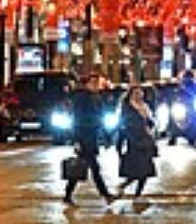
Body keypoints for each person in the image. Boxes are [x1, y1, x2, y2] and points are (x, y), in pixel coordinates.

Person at [63, 73, 117, 204]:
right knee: (93, 168)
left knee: (82, 168)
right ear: (86, 84)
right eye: (93, 82)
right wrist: (76, 140)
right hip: (84, 138)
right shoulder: (82, 98)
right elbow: (77, 120)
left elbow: (100, 119)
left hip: (91, 137)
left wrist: (106, 137)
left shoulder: (95, 97)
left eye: (97, 82)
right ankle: (105, 195)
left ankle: (68, 195)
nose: (96, 85)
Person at [117, 86, 159, 197]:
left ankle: (136, 191)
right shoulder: (127, 107)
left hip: (146, 140)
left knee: (145, 169)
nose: (139, 95)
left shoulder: (145, 107)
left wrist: (150, 124)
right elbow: (124, 125)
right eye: (136, 93)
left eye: (140, 93)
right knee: (138, 168)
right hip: (134, 140)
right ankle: (129, 185)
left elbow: (151, 123)